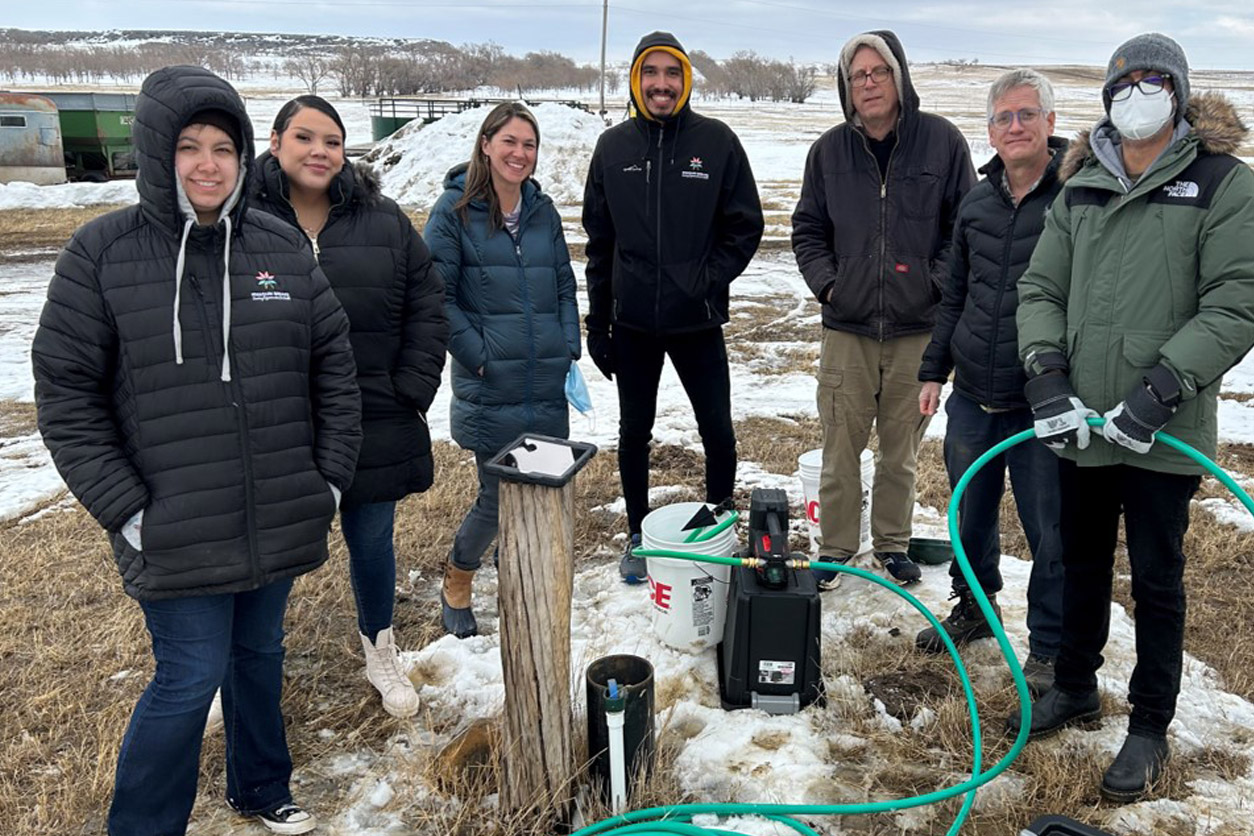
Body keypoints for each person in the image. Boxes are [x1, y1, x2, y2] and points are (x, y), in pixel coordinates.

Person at [31, 66, 361, 835]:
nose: (208, 164)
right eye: (188, 147)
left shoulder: (278, 246)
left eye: (223, 146)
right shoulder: (102, 254)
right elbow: (66, 395)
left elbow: (334, 371)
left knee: (260, 655)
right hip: (174, 524)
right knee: (188, 678)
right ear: (156, 152)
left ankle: (261, 785)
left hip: (278, 510)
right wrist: (126, 508)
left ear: (246, 157)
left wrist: (330, 482)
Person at [1012, 33, 1254, 802]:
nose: (1138, 90)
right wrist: (1047, 377)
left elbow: (1235, 300)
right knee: (1077, 559)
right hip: (1081, 425)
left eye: (1154, 79)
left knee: (1156, 579)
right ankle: (1076, 684)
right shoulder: (1079, 181)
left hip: (1162, 426)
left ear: (1179, 93)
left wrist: (1158, 393)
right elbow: (1040, 289)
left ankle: (1149, 723)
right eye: (1125, 80)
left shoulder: (1222, 183)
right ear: (1109, 96)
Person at [251, 95, 448, 718]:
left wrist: (412, 385)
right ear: (277, 141)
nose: (319, 152)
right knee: (273, 551)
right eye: (305, 138)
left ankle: (379, 648)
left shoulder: (383, 220)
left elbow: (428, 303)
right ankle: (249, 667)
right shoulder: (240, 220)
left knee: (371, 539)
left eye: (332, 141)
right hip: (275, 424)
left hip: (371, 414)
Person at [792, 30, 975, 588]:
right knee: (839, 449)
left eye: (879, 72)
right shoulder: (828, 151)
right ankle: (838, 548)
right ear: (847, 87)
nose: (868, 84)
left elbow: (963, 229)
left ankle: (893, 544)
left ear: (900, 77)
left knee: (900, 452)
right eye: (857, 76)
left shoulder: (942, 142)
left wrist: (932, 284)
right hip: (846, 329)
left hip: (915, 331)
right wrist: (830, 286)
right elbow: (807, 230)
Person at [582, 31, 764, 582]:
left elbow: (745, 225)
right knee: (634, 431)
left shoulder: (716, 142)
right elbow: (599, 241)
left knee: (717, 429)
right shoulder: (613, 148)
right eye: (651, 73)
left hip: (697, 321)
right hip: (633, 323)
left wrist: (706, 281)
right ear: (636, 81)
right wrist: (599, 319)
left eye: (673, 73)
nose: (662, 84)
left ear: (685, 80)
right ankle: (638, 534)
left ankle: (717, 524)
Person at [915, 69, 1066, 695]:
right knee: (969, 518)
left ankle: (1051, 648)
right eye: (1002, 117)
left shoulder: (1075, 198)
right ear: (990, 130)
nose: (1014, 126)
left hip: (1041, 402)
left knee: (1049, 529)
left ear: (1051, 124)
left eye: (1026, 114)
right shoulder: (976, 203)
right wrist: (933, 370)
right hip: (974, 394)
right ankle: (976, 609)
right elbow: (955, 296)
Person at [425, 102, 581, 637]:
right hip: (492, 382)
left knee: (539, 491)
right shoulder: (453, 211)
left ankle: (514, 572)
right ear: (486, 144)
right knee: (495, 497)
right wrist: (481, 355)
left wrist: (568, 343)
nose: (520, 153)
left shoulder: (543, 212)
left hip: (544, 379)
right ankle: (457, 578)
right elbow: (435, 298)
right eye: (509, 142)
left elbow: (564, 283)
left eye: (529, 144)